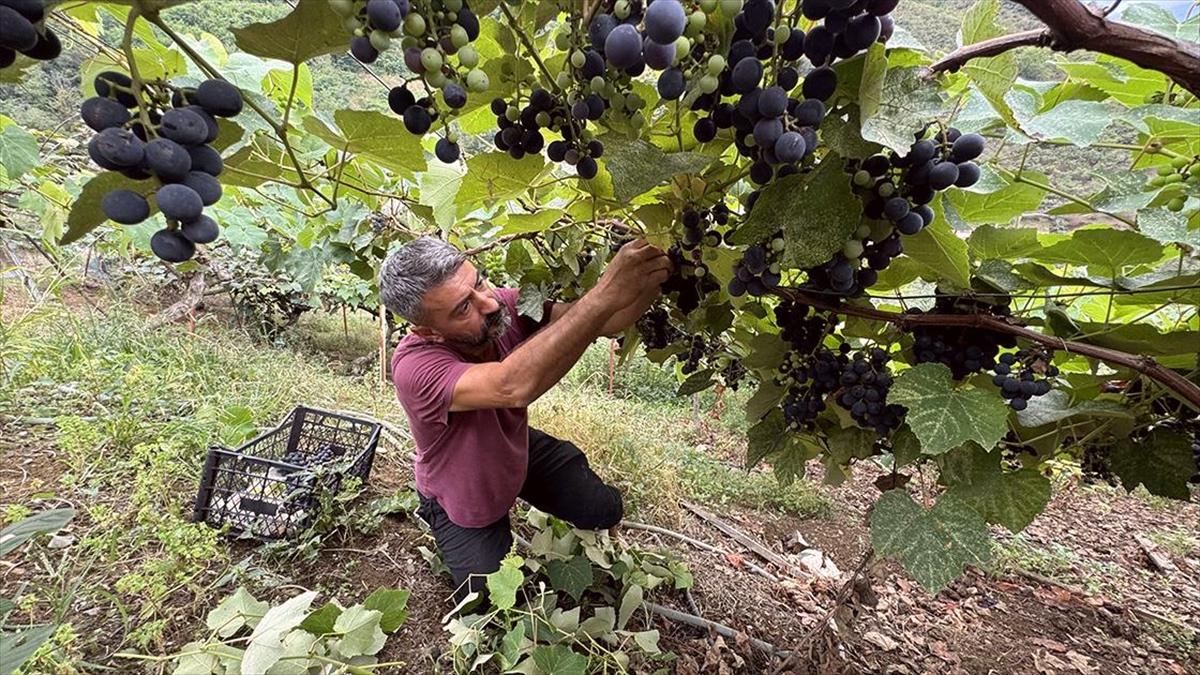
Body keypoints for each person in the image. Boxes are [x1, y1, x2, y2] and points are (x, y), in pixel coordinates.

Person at [379, 235, 672, 605]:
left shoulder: (501, 305)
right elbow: (511, 386)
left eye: (480, 281)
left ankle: (526, 476)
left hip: (515, 449)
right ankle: (435, 514)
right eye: (462, 309)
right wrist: (604, 291)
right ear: (427, 330)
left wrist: (656, 273)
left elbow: (604, 319)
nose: (488, 303)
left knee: (604, 508)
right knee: (489, 600)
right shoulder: (414, 366)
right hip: (463, 490)